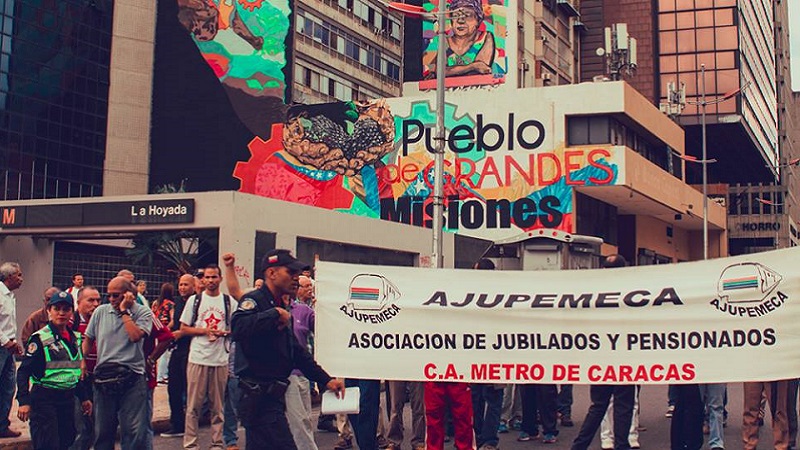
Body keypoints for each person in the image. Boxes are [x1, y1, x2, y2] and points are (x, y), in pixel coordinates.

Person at [231, 249, 344, 449]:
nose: (295, 278)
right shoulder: (256, 301)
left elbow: (296, 352)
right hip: (257, 397)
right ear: (272, 273)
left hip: (272, 397)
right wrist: (273, 314)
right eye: (290, 272)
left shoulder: (282, 306)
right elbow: (238, 327)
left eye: (297, 274)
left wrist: (326, 380)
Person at [571, 255, 635, 450]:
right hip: (624, 354)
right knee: (623, 405)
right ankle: (622, 445)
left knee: (598, 405)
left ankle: (579, 446)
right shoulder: (631, 292)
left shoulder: (594, 293)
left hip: (600, 356)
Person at [16, 291, 92, 450]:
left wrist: (84, 398)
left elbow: (73, 371)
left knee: (67, 440)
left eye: (66, 309)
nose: (61, 313)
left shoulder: (75, 338)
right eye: (57, 308)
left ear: (71, 311)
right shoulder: (40, 339)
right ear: (49, 310)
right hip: (45, 398)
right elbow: (23, 371)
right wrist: (23, 401)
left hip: (67, 398)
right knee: (47, 443)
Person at [84, 276, 152, 450]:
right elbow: (88, 338)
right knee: (103, 431)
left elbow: (135, 336)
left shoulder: (143, 312)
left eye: (117, 296)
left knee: (133, 431)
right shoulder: (100, 311)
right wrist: (82, 360)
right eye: (110, 296)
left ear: (128, 295)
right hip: (104, 378)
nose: (112, 300)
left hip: (132, 378)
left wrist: (124, 312)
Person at [180, 264, 236, 450]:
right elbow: (184, 328)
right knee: (193, 406)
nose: (211, 281)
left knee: (218, 407)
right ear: (203, 280)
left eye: (214, 277)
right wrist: (205, 330)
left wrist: (227, 333)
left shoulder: (229, 302)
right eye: (207, 277)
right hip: (198, 358)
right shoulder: (195, 301)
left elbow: (237, 327)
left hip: (220, 360)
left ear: (220, 279)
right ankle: (190, 444)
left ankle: (217, 443)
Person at [470, 259, 504, 450]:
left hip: (486, 354)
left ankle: (484, 438)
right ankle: (487, 439)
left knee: (483, 397)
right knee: (488, 398)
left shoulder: (471, 295)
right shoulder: (502, 294)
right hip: (490, 354)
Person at [423, 0, 495, 79]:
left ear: (478, 20)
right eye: (456, 15)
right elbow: (439, 71)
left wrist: (449, 71)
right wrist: (473, 66)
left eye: (467, 16)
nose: (460, 21)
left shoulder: (486, 38)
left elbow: (481, 68)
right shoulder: (442, 41)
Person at [161, 273, 196, 438]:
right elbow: (176, 322)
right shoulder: (179, 302)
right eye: (180, 284)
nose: (182, 288)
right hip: (177, 349)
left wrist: (181, 333)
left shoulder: (197, 302)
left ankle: (189, 425)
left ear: (193, 286)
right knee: (173, 387)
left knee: (190, 391)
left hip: (191, 350)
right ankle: (177, 424)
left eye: (186, 284)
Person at [69, 286, 101, 450]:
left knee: (97, 427)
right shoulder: (70, 322)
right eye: (91, 300)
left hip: (100, 380)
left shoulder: (102, 320)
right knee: (80, 428)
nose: (95, 304)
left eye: (98, 300)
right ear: (79, 302)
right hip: (79, 382)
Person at [0, 262, 23, 438]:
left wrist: (13, 343)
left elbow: (7, 325)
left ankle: (2, 425)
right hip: (2, 346)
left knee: (8, 387)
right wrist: (7, 342)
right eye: (19, 275)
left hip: (8, 349)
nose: (21, 279)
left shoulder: (10, 296)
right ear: (9, 277)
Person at [152, 283, 176, 383]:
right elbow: (173, 318)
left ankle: (159, 375)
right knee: (165, 354)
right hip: (165, 329)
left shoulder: (156, 303)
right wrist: (168, 328)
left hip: (156, 329)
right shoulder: (170, 304)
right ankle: (163, 375)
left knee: (158, 352)